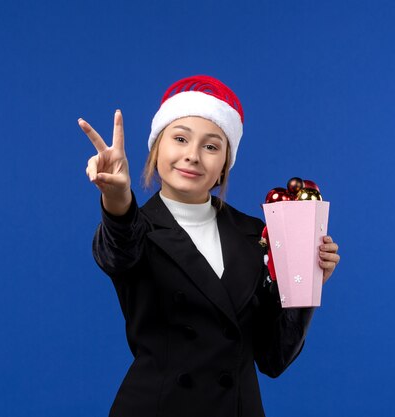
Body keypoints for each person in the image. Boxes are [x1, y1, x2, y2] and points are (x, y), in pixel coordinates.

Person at [79, 75, 340, 417]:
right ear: (157, 149)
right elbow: (117, 249)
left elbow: (274, 358)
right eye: (180, 139)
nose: (193, 155)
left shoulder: (255, 234)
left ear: (223, 167)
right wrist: (117, 200)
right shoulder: (136, 228)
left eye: (211, 146)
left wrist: (305, 283)